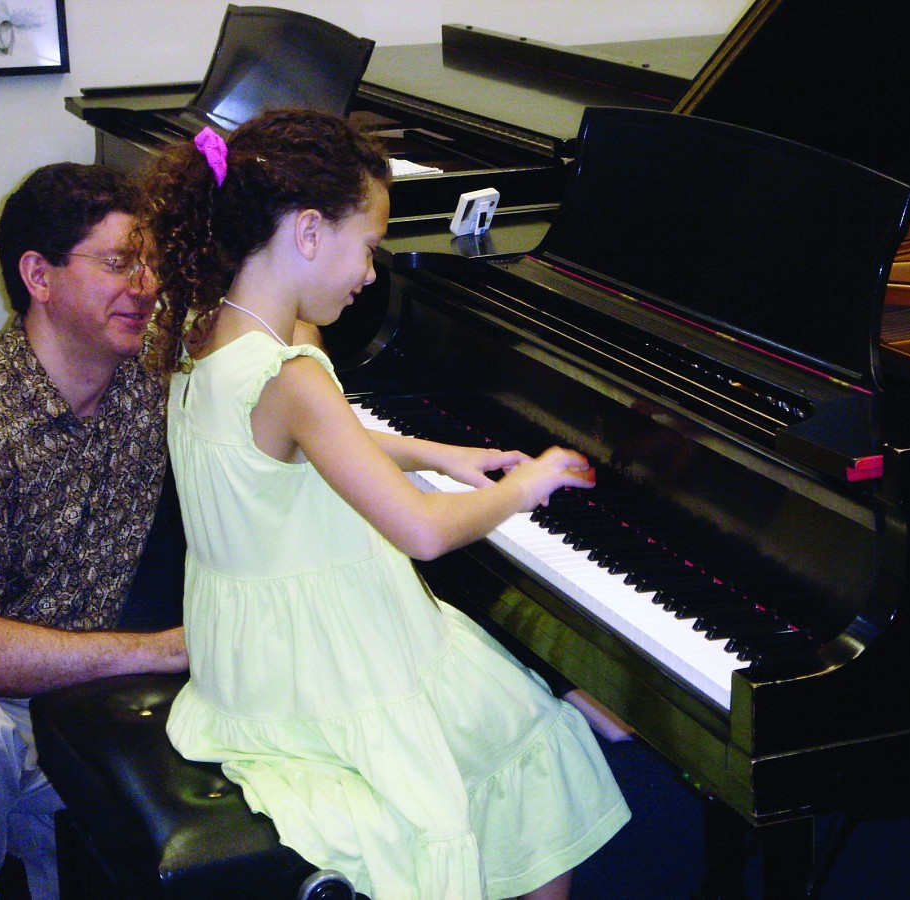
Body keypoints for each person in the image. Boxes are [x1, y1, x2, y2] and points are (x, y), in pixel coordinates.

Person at [140, 108, 631, 900]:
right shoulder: (291, 372)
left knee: (507, 705)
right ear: (308, 231)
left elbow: (319, 446)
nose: (371, 273)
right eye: (367, 247)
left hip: (251, 656)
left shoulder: (207, 333)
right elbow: (423, 533)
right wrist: (523, 487)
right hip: (326, 664)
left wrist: (439, 451)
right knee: (534, 744)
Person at [0, 162, 188, 900]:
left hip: (83, 704)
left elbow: (277, 343)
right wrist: (154, 652)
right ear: (39, 275)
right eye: (120, 261)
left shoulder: (147, 359)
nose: (147, 284)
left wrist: (439, 456)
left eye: (151, 262)